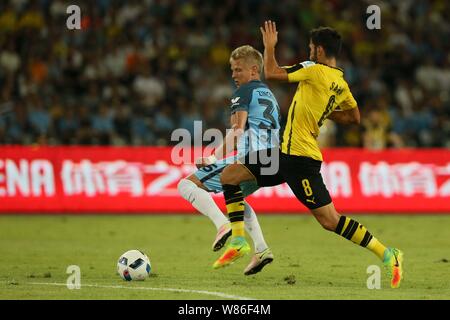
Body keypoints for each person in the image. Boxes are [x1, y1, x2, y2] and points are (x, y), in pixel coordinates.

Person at [213, 21, 404, 289]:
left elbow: (271, 73)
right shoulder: (340, 82)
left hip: (300, 161)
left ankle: (387, 253)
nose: (309, 51)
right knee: (230, 175)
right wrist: (323, 112)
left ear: (320, 50)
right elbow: (354, 117)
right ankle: (238, 240)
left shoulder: (312, 69)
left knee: (330, 220)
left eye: (311, 48)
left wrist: (269, 48)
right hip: (284, 154)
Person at [178, 45, 281, 275]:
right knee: (237, 199)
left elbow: (237, 130)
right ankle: (262, 249)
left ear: (254, 70)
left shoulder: (243, 92)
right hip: (272, 161)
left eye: (238, 70)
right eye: (232, 70)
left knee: (186, 185)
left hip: (248, 158)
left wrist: (214, 156)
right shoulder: (269, 94)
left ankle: (222, 226)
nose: (234, 75)